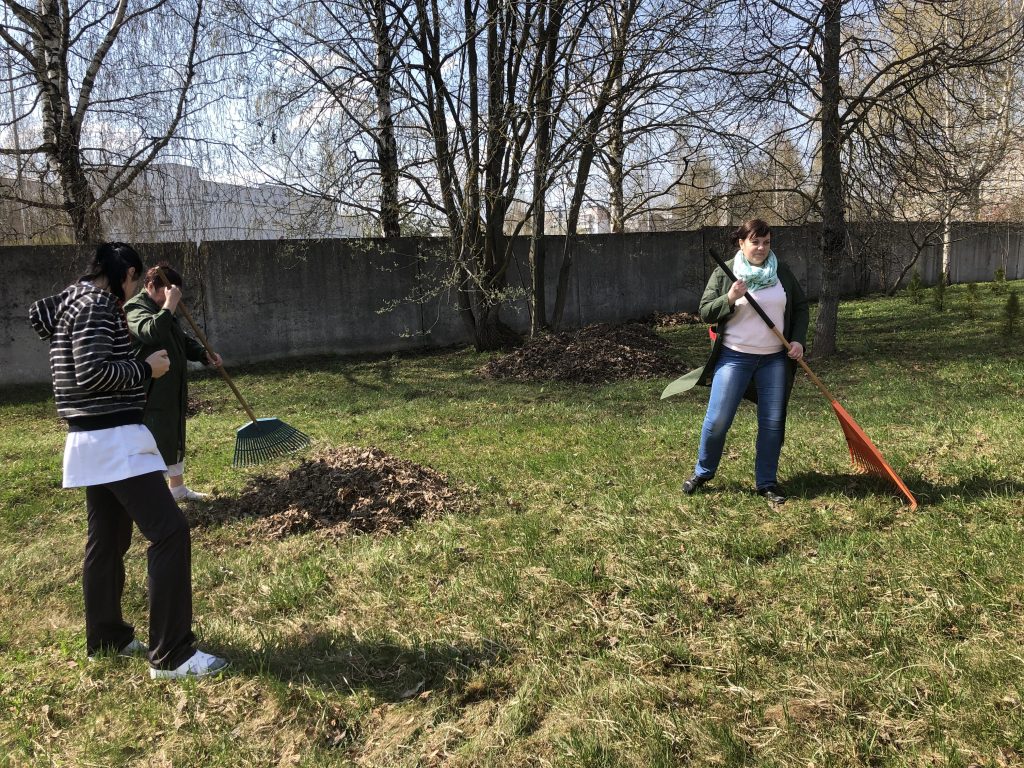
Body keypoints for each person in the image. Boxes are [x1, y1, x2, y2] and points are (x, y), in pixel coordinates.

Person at [29, 242, 228, 679]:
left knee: (108, 539)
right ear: (129, 274)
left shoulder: (70, 302)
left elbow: (77, 360)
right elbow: (93, 372)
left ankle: (107, 638)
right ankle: (172, 655)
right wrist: (146, 369)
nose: (132, 291)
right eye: (134, 283)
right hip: (115, 436)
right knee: (170, 532)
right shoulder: (99, 305)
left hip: (88, 438)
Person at [677, 219, 809, 504]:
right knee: (717, 420)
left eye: (766, 242)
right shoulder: (726, 272)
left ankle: (767, 482)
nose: (761, 248)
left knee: (772, 422)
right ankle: (703, 472)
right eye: (755, 242)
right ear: (741, 243)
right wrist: (729, 297)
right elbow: (705, 311)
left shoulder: (781, 272)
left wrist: (798, 340)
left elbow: (800, 307)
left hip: (774, 360)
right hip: (734, 357)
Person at [125, 262, 221, 502]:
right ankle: (151, 497)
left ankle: (177, 488)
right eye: (165, 293)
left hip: (172, 386)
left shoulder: (164, 308)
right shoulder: (135, 308)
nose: (168, 299)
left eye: (173, 295)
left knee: (173, 434)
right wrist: (169, 305)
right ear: (149, 286)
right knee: (154, 440)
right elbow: (151, 332)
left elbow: (180, 339)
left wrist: (203, 354)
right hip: (150, 390)